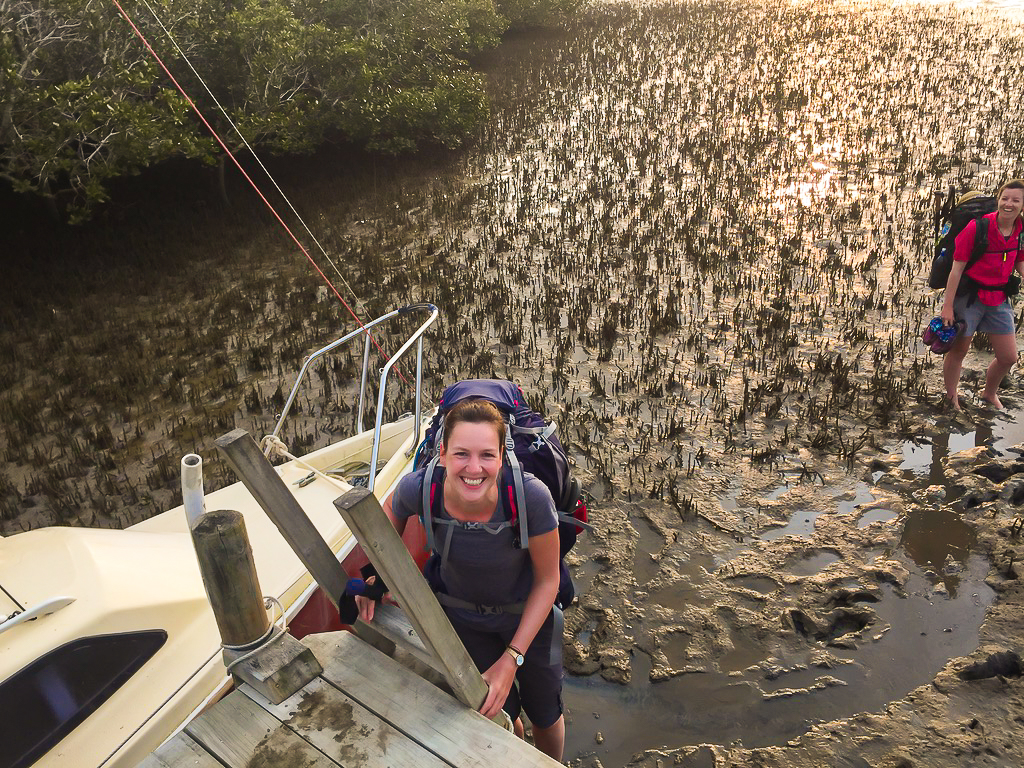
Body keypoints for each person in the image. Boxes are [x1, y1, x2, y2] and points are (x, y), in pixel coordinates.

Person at [356, 398, 566, 760]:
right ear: (442, 453)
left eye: (487, 455)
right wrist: (371, 578)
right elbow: (388, 513)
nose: (474, 468)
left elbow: (548, 582)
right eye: (461, 454)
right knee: (494, 711)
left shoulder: (530, 497)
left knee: (545, 713)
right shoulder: (421, 488)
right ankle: (513, 747)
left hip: (528, 618)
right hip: (463, 617)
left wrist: (512, 657)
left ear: (502, 455)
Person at [941, 179, 1024, 410]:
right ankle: (951, 398)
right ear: (998, 200)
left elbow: (1019, 260)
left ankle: (989, 393)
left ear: (1023, 205)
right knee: (960, 350)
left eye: (1016, 200)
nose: (1009, 204)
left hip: (998, 299)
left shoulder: (1020, 229)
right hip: (969, 297)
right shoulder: (977, 228)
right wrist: (947, 306)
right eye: (1005, 198)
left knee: (1008, 357)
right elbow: (956, 269)